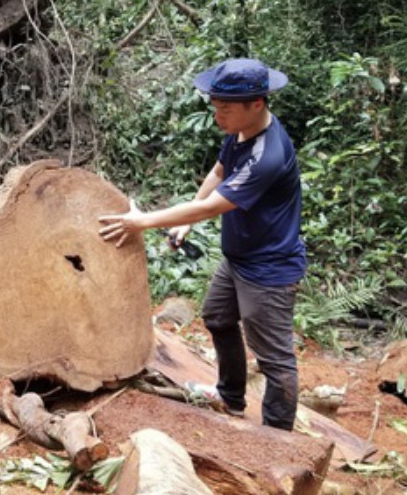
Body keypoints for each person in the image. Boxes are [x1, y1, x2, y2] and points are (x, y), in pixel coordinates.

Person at [98, 58, 306, 431]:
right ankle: (230, 396)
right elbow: (218, 172)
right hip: (239, 258)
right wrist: (187, 224)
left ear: (256, 103)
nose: (217, 115)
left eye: (224, 108)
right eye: (214, 106)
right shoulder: (241, 133)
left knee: (274, 357)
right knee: (217, 316)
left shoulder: (267, 157)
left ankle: (278, 435)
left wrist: (141, 222)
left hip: (268, 270)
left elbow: (215, 206)